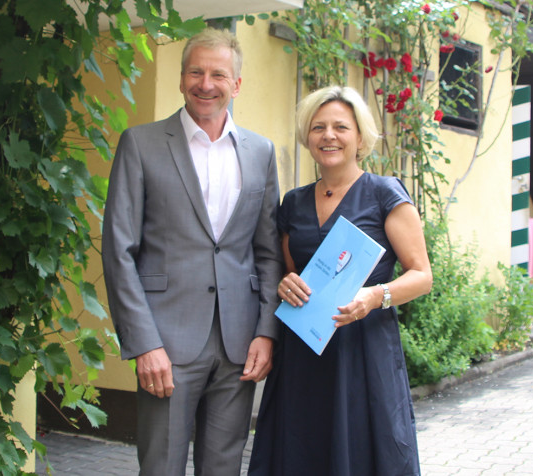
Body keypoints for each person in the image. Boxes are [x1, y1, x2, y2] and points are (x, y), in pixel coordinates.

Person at [101, 28, 282, 475]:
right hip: (166, 342)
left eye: (218, 74)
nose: (206, 83)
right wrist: (143, 343)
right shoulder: (140, 145)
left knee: (223, 468)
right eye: (196, 72)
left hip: (239, 344)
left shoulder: (260, 152)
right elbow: (118, 251)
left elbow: (267, 252)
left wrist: (266, 331)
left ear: (236, 85)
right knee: (161, 466)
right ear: (181, 80)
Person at [248, 85, 433, 475]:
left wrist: (375, 296)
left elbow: (422, 276)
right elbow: (287, 271)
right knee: (301, 450)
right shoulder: (293, 202)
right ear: (307, 137)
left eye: (340, 127)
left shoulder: (384, 194)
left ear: (360, 137)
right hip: (302, 353)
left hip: (362, 352)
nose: (328, 135)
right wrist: (285, 284)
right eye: (318, 127)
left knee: (362, 453)